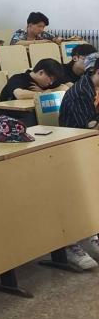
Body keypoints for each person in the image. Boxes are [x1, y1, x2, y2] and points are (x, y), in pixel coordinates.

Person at [58, 52, 99, 269]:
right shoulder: (80, 92)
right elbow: (89, 128)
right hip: (75, 147)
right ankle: (76, 237)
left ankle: (92, 228)